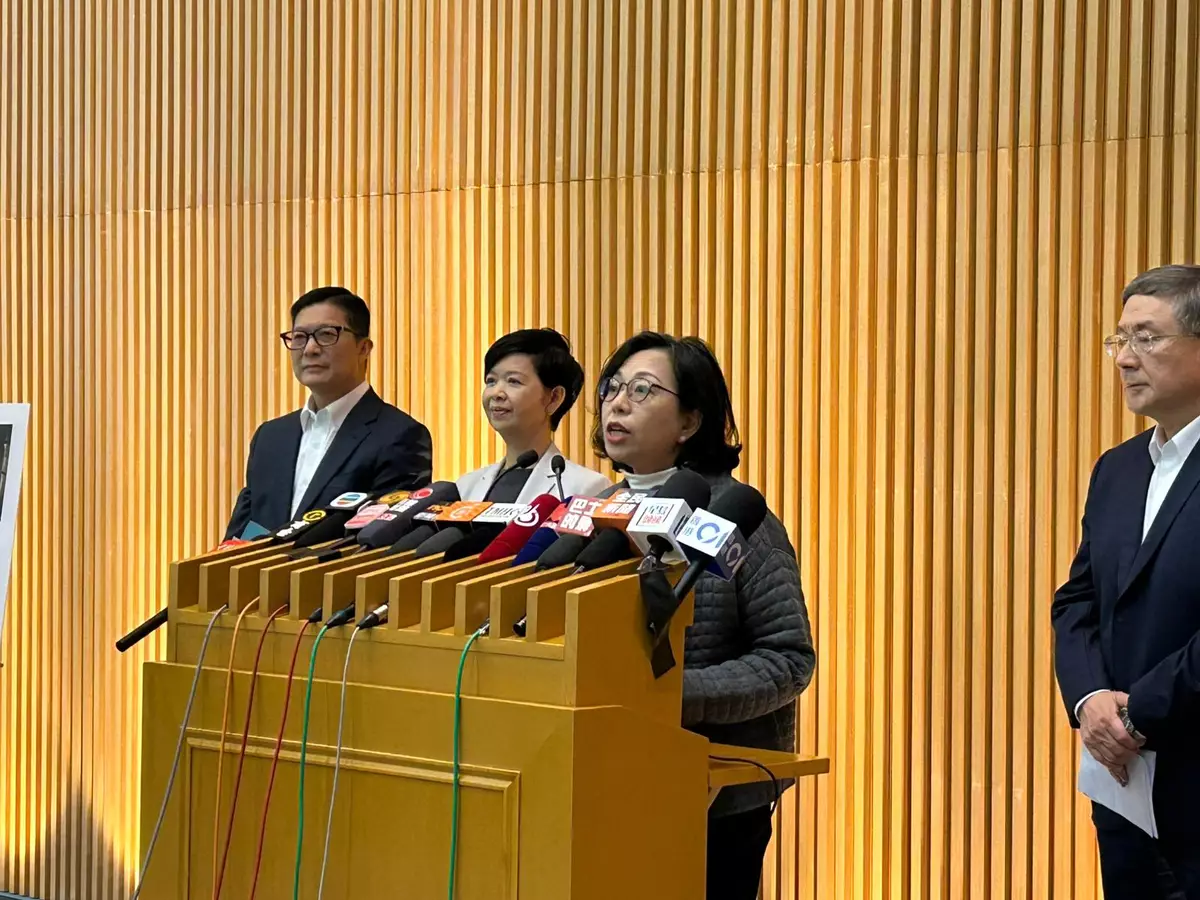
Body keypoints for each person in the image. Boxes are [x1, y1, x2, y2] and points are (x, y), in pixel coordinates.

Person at [590, 330, 815, 900]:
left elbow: (787, 660)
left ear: (690, 421)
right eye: (613, 387)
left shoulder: (737, 519)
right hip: (602, 781)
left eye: (643, 390)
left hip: (714, 797)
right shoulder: (598, 513)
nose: (618, 403)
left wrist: (671, 693)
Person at [1052, 263, 1200, 898]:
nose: (1124, 358)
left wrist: (1139, 712)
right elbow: (1078, 599)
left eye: (1148, 337)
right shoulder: (1116, 469)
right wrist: (1090, 701)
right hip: (1122, 786)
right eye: (1120, 338)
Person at [224, 287, 432, 539]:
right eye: (299, 337)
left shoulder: (400, 436)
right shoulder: (270, 437)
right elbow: (238, 538)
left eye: (326, 335)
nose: (310, 349)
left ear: (363, 348)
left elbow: (381, 541)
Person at [456, 328, 611, 503]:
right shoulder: (465, 487)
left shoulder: (587, 488)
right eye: (491, 381)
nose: (496, 393)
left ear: (554, 398)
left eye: (513, 381)